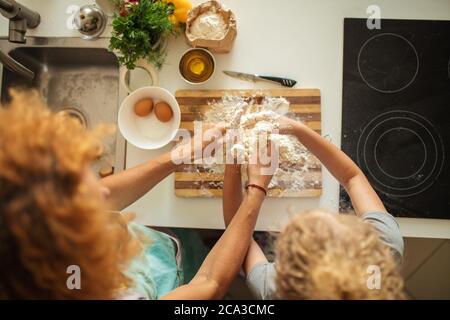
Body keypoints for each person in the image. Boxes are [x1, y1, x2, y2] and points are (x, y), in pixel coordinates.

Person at [0, 90, 269, 300]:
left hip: (161, 246)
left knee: (194, 246)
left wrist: (179, 156)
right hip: (181, 276)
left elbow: (101, 199)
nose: (102, 189)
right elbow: (209, 282)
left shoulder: (37, 228)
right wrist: (256, 190)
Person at [223, 116, 405, 300]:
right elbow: (352, 178)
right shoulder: (381, 249)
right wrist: (299, 129)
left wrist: (236, 166)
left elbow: (235, 232)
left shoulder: (271, 288)